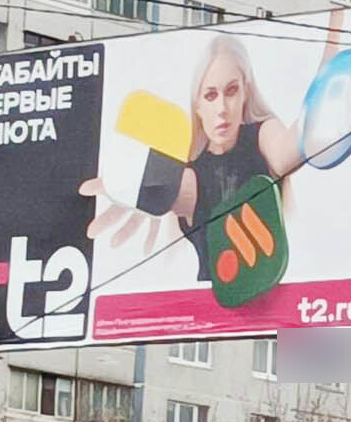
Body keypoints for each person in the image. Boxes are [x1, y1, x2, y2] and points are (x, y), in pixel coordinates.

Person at [80, 35, 307, 277]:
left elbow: (287, 152)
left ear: (246, 92)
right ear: (197, 104)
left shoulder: (263, 135)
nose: (222, 109)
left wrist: (328, 77)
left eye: (231, 91)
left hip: (282, 294)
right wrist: (139, 189)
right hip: (207, 298)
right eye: (210, 95)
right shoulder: (190, 172)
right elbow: (178, 192)